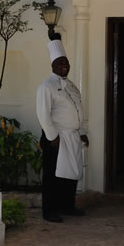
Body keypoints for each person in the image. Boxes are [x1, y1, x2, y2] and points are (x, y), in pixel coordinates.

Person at [36, 39, 89, 223]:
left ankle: (67, 206)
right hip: (56, 137)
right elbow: (43, 114)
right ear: (52, 65)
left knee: (71, 173)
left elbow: (78, 109)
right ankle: (50, 211)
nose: (64, 66)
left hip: (72, 135)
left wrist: (81, 131)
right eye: (60, 63)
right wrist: (52, 137)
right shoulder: (47, 86)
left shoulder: (72, 86)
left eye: (66, 62)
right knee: (53, 176)